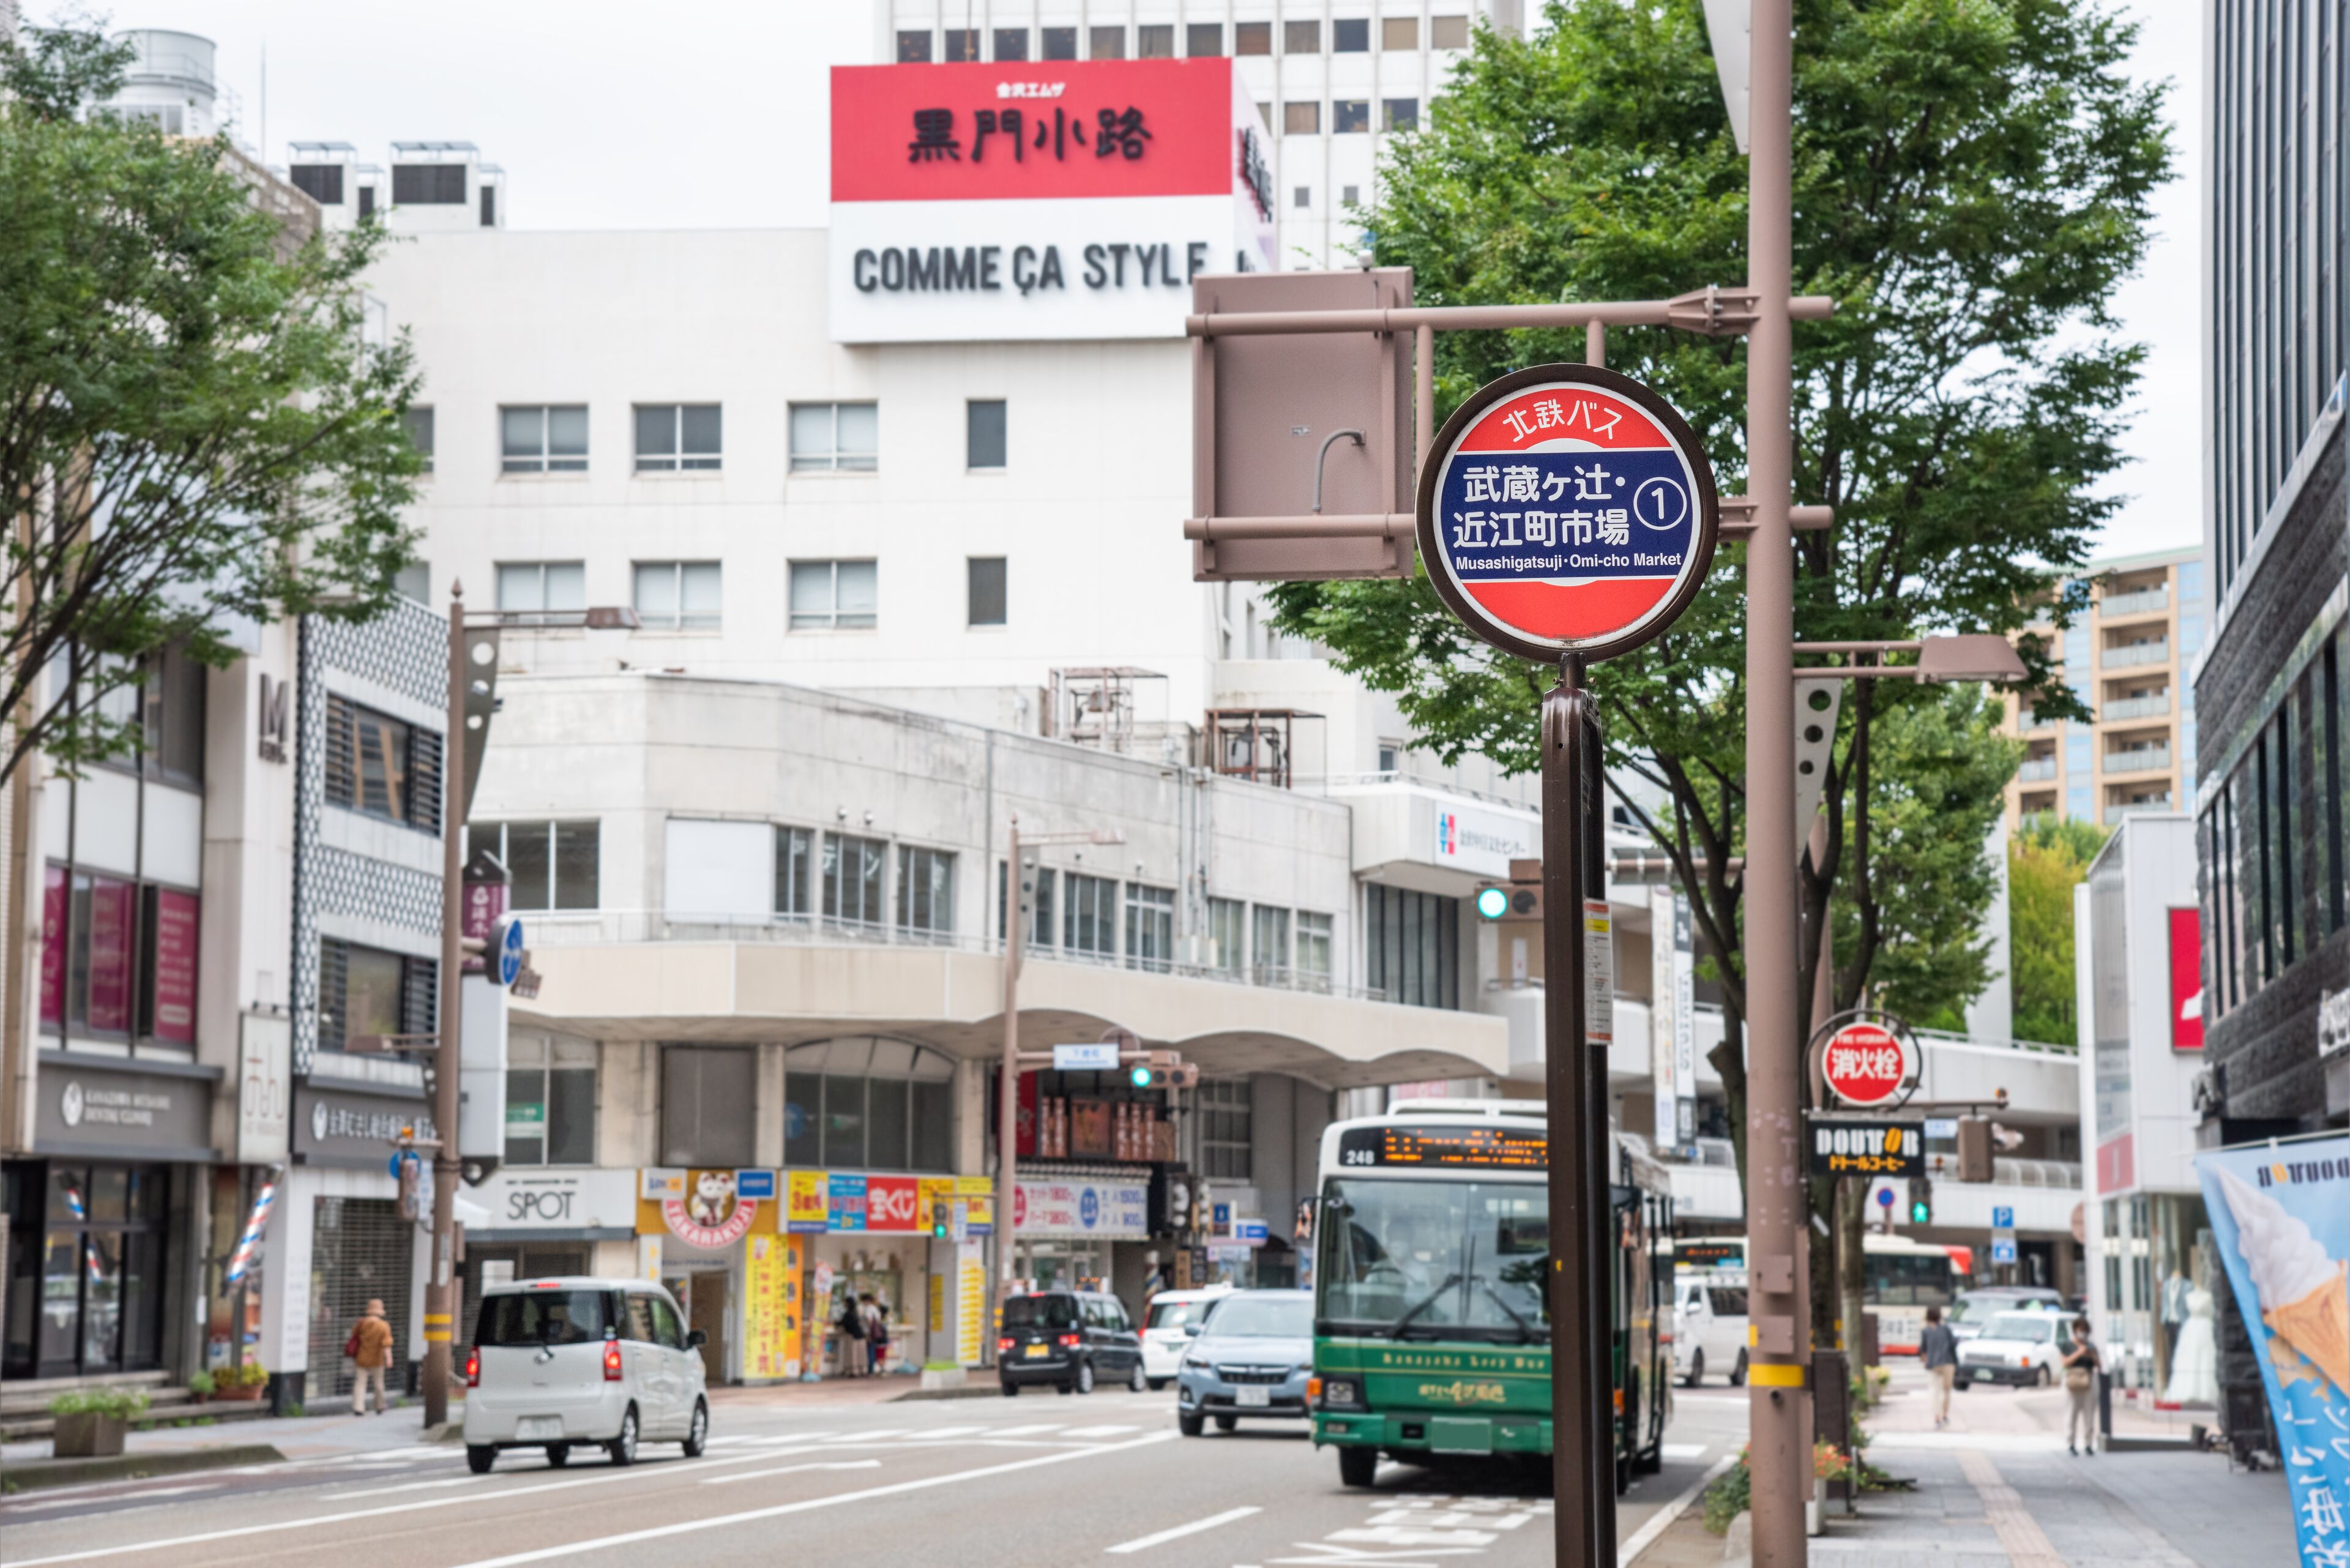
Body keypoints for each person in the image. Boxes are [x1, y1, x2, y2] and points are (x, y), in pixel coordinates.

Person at [2061, 1316, 2102, 1456]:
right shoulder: (2067, 1346)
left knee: (2089, 1414)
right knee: (2071, 1413)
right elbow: (2065, 1363)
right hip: (2072, 1381)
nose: (2082, 1332)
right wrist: (2079, 1352)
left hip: (2088, 1380)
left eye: (2085, 1330)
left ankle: (2088, 1443)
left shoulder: (2091, 1347)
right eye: (2080, 1329)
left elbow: (2099, 1365)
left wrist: (2092, 1356)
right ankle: (2071, 1442)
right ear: (2075, 1330)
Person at [347, 1298, 394, 1416]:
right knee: (378, 1384)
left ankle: (358, 1408)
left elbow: (353, 1334)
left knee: (360, 1383)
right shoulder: (384, 1326)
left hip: (362, 1357)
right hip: (377, 1359)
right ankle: (379, 1406)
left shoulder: (362, 1323)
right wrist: (389, 1358)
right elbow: (387, 1344)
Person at [1919, 1304, 1960, 1428]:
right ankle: (1945, 1416)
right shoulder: (1946, 1329)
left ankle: (1936, 1419)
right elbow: (1954, 1344)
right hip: (1948, 1363)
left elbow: (1923, 1350)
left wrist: (1925, 1362)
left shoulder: (1925, 1331)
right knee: (1946, 1391)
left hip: (1932, 1365)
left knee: (1934, 1392)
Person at [835, 1289, 866, 1377]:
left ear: (848, 1304)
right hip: (860, 1335)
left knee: (852, 1354)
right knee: (860, 1354)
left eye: (845, 1303)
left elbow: (843, 1323)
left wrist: (836, 1323)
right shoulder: (856, 1313)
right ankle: (861, 1370)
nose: (844, 1304)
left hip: (852, 1336)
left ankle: (853, 1371)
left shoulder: (849, 1313)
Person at [863, 1293, 889, 1376]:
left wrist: (869, 1333)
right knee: (879, 1353)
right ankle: (879, 1369)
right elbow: (878, 1322)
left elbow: (870, 1321)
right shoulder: (876, 1309)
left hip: (872, 1334)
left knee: (872, 1352)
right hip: (880, 1336)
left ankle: (871, 1371)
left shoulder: (869, 1309)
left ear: (867, 1301)